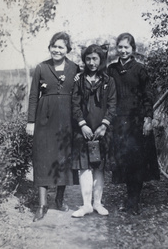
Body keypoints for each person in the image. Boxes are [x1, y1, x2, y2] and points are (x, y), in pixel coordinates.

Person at [26, 32, 79, 222]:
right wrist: (31, 121)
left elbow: (79, 95)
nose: (57, 50)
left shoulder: (75, 68)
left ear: (67, 50)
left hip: (67, 119)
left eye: (61, 47)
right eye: (54, 46)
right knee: (42, 157)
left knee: (63, 157)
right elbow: (33, 96)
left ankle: (59, 199)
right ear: (49, 47)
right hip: (44, 118)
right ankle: (42, 204)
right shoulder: (41, 68)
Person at [108, 32, 159, 215]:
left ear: (133, 49)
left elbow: (148, 96)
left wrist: (148, 119)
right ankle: (129, 198)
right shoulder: (111, 70)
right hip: (118, 123)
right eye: (120, 47)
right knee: (124, 161)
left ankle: (134, 202)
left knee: (137, 162)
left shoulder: (140, 70)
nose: (123, 50)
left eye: (126, 47)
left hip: (136, 123)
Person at [71, 44, 116, 218]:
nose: (91, 62)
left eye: (95, 59)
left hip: (102, 130)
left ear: (101, 60)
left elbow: (112, 104)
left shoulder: (108, 81)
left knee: (99, 167)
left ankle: (97, 203)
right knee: (84, 168)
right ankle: (86, 205)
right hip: (82, 130)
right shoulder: (78, 80)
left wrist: (104, 125)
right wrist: (82, 124)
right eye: (88, 59)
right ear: (84, 60)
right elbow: (74, 104)